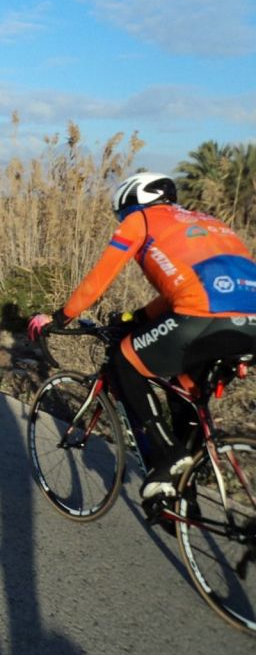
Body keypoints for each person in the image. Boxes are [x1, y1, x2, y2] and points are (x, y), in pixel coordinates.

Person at [28, 172, 256, 502]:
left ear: (131, 202)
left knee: (124, 361)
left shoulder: (140, 221)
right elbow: (188, 285)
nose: (122, 219)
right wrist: (137, 318)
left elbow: (98, 280)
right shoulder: (208, 221)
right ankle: (183, 492)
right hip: (249, 323)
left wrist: (61, 317)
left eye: (121, 212)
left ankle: (169, 456)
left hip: (203, 315)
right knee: (185, 391)